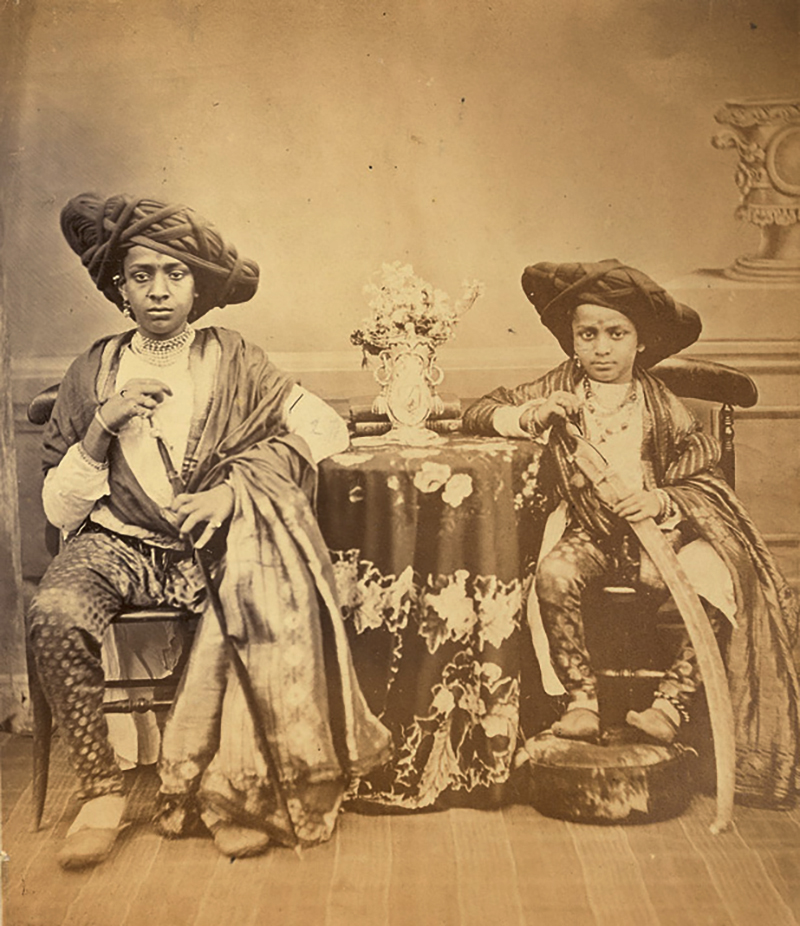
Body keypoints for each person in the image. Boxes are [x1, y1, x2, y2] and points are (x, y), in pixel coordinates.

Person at [28, 192, 392, 870]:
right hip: (116, 543)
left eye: (175, 274)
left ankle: (227, 787)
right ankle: (103, 792)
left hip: (210, 545)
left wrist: (232, 491)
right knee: (52, 612)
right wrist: (102, 427)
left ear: (198, 287)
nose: (159, 291)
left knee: (256, 606)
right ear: (120, 287)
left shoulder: (233, 357)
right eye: (142, 276)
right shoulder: (93, 370)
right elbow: (57, 510)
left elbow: (323, 426)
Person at [463, 258, 800, 808]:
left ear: (640, 343)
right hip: (593, 534)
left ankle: (669, 705)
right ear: (572, 341)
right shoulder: (561, 385)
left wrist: (662, 499)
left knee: (717, 579)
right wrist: (533, 412)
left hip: (662, 535)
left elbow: (704, 478)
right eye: (587, 335)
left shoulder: (662, 405)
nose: (601, 348)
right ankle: (582, 700)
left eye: (616, 334)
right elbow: (481, 411)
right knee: (553, 573)